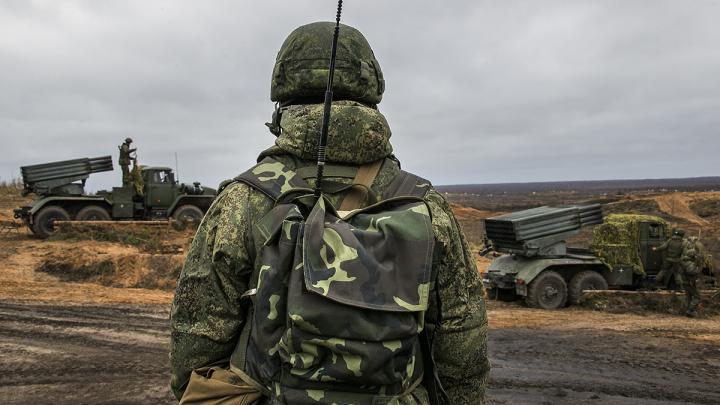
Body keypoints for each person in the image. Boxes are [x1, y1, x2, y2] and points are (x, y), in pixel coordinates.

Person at [170, 22, 489, 404]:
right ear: (371, 94)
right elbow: (462, 340)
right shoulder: (424, 205)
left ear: (282, 99)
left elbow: (199, 331)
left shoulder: (244, 200)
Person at [680, 236, 705, 318]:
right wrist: (699, 265)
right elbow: (693, 271)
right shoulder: (689, 264)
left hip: (686, 282)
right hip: (689, 283)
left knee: (688, 297)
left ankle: (687, 313)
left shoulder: (684, 261)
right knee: (697, 297)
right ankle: (690, 310)